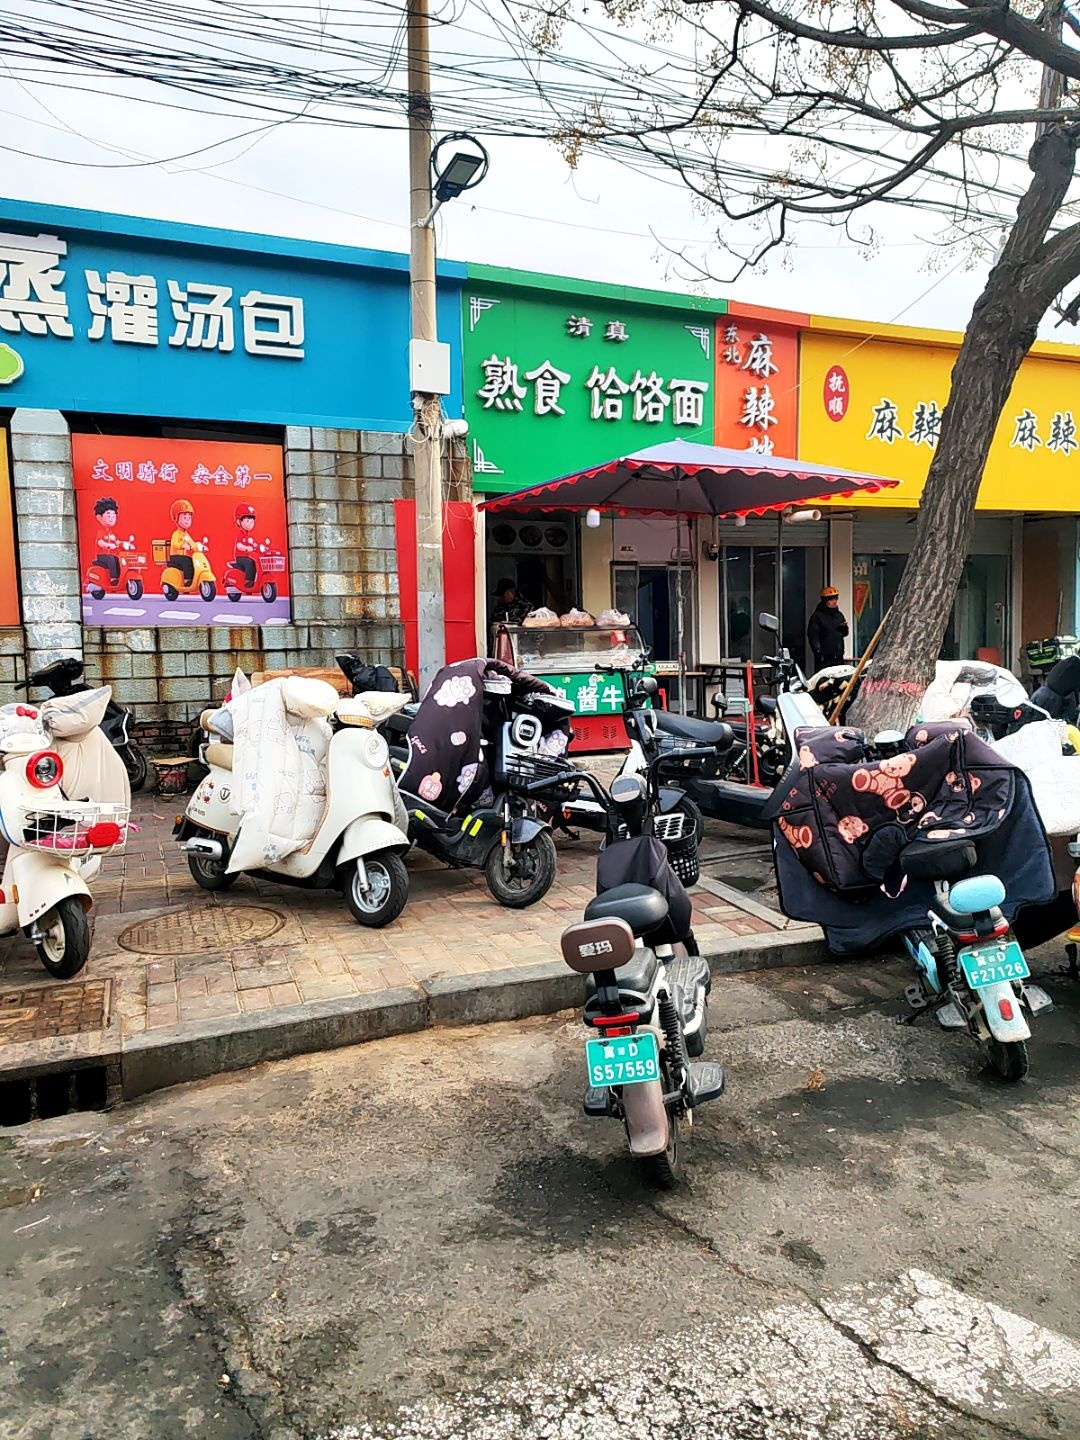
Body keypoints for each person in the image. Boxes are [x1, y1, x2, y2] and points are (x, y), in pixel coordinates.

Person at [807, 586, 849, 671]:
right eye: (831, 599)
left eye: (836, 599)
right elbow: (813, 636)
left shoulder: (839, 615)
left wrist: (844, 628)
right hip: (824, 657)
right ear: (825, 601)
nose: (834, 601)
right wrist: (818, 651)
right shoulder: (817, 616)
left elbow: (844, 633)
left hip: (838, 655)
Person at [92, 497, 122, 585]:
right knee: (111, 559)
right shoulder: (101, 531)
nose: (112, 518)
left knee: (118, 559)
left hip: (110, 554)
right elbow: (99, 542)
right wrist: (106, 545)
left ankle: (119, 576)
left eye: (113, 515)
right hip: (102, 555)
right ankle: (113, 578)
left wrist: (125, 544)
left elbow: (117, 542)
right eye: (108, 515)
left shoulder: (112, 533)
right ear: (99, 517)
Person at [168, 499, 198, 585]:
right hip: (175, 556)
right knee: (187, 561)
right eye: (184, 517)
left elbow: (192, 543)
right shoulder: (176, 533)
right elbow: (174, 544)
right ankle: (187, 580)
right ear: (176, 518)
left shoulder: (186, 534)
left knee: (193, 560)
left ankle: (192, 578)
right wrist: (182, 546)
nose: (187, 520)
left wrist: (198, 546)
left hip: (182, 556)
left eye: (189, 518)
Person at [233, 502, 259, 587]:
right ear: (238, 521)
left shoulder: (247, 535)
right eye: (247, 521)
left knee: (253, 561)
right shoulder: (241, 534)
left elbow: (253, 544)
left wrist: (258, 547)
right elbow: (238, 545)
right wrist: (246, 548)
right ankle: (248, 581)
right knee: (249, 563)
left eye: (252, 521)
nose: (250, 523)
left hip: (246, 556)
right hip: (240, 557)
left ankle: (252, 580)